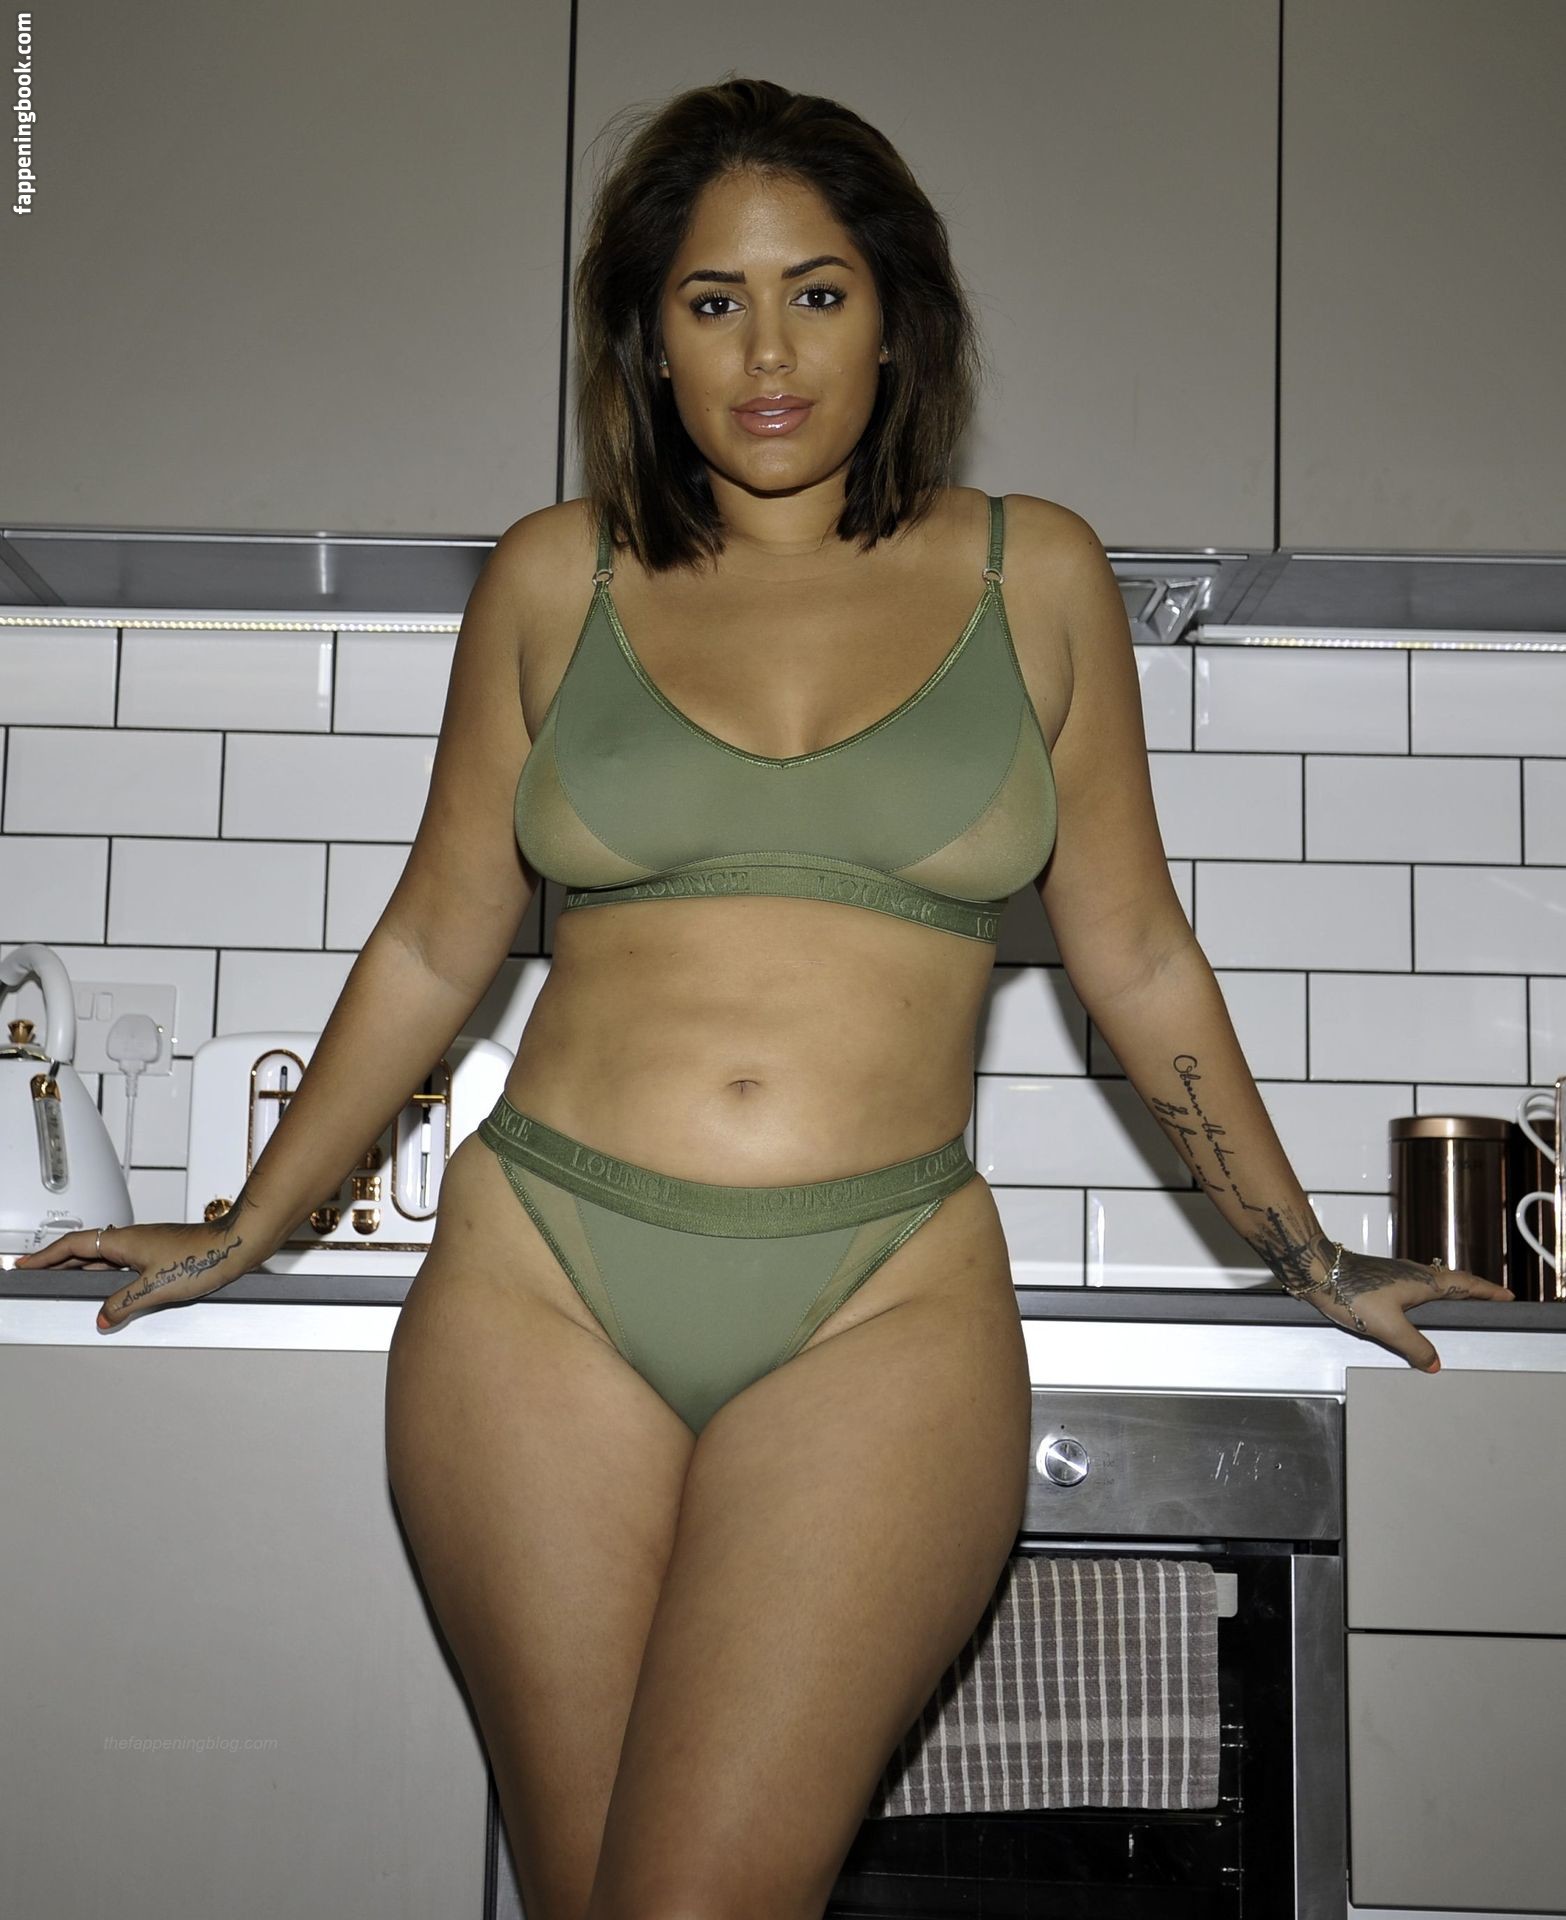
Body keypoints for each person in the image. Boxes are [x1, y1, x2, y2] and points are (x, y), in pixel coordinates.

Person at [19, 72, 1515, 1920]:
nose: (768, 351)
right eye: (711, 300)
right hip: (541, 1280)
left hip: (879, 1298)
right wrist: (248, 1224)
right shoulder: (554, 577)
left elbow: (1135, 953)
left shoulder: (1031, 572)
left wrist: (1308, 1256)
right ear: (649, 341)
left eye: (815, 290)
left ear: (896, 316)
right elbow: (430, 940)